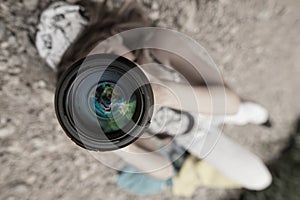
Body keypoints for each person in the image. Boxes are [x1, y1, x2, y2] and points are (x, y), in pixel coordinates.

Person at [36, 0, 272, 195]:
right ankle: (251, 115)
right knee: (259, 179)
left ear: (116, 35)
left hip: (210, 104)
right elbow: (164, 171)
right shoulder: (107, 112)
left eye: (105, 54)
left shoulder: (159, 46)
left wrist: (164, 92)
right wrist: (111, 143)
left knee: (241, 111)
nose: (109, 71)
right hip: (191, 135)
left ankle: (256, 115)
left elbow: (227, 103)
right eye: (93, 73)